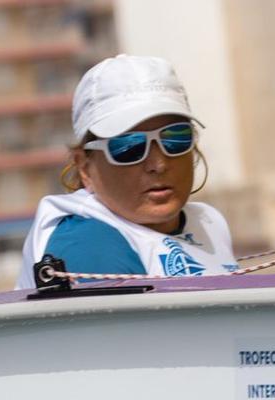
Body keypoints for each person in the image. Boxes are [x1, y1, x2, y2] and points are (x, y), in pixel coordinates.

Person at [16, 55, 237, 289]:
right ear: (84, 167)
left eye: (175, 138)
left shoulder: (208, 223)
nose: (158, 164)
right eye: (129, 147)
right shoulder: (89, 243)